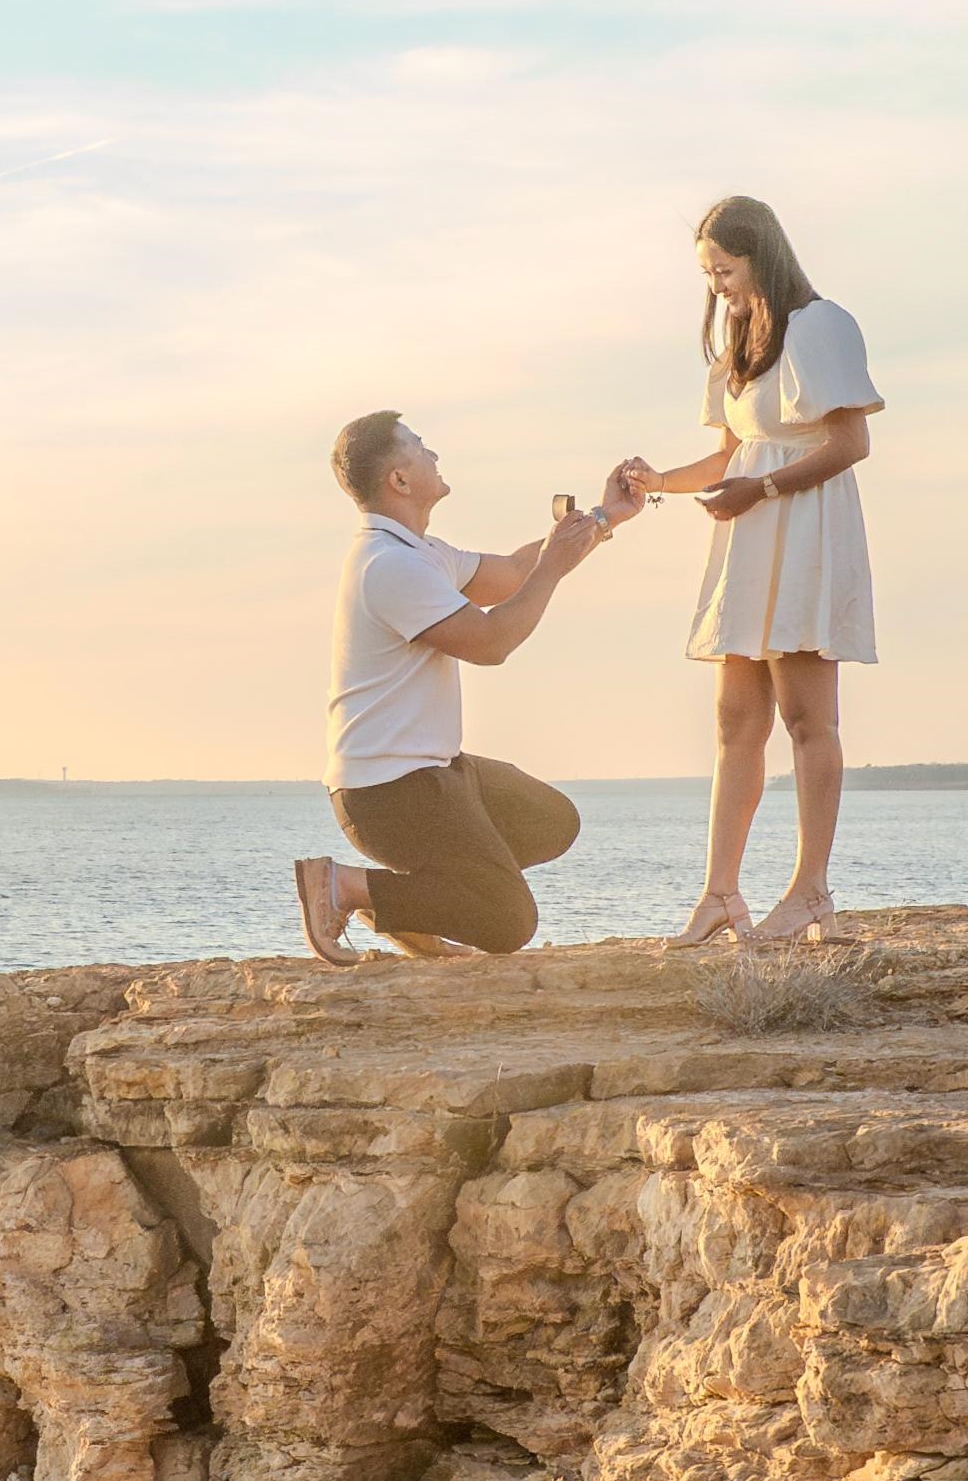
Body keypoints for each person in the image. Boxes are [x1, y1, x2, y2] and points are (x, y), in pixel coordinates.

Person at [620, 194, 883, 949]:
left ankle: (809, 894)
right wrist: (656, 480)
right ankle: (719, 896)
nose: (716, 288)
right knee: (736, 722)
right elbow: (729, 455)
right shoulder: (738, 339)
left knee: (807, 719)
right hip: (749, 531)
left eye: (723, 270)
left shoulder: (818, 325)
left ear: (759, 255)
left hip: (801, 529)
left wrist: (760, 490)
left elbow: (848, 444)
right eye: (706, 274)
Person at [294, 411, 643, 965]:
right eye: (419, 447)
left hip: (433, 771)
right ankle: (345, 886)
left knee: (552, 820)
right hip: (389, 793)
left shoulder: (419, 553)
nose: (433, 454)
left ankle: (415, 907)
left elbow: (513, 572)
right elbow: (490, 643)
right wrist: (551, 568)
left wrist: (605, 518)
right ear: (400, 482)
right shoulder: (387, 566)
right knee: (508, 920)